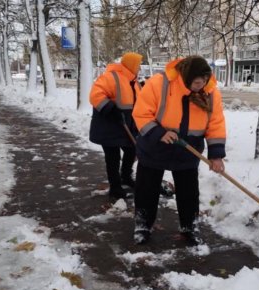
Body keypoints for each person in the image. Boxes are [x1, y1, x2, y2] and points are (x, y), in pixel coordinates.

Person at [132, 56, 226, 245]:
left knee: (189, 193)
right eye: (197, 82)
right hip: (155, 145)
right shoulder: (159, 83)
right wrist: (158, 132)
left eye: (204, 81)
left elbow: (215, 123)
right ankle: (142, 225)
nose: (201, 86)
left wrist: (216, 155)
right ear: (187, 77)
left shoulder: (211, 93)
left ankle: (190, 227)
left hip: (188, 149)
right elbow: (141, 112)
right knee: (147, 189)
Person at [89, 52, 143, 200]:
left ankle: (125, 176)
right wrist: (110, 108)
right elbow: (95, 95)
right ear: (131, 65)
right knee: (112, 158)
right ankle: (115, 187)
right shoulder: (110, 77)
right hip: (109, 126)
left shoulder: (134, 81)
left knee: (131, 151)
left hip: (127, 126)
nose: (139, 68)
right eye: (138, 65)